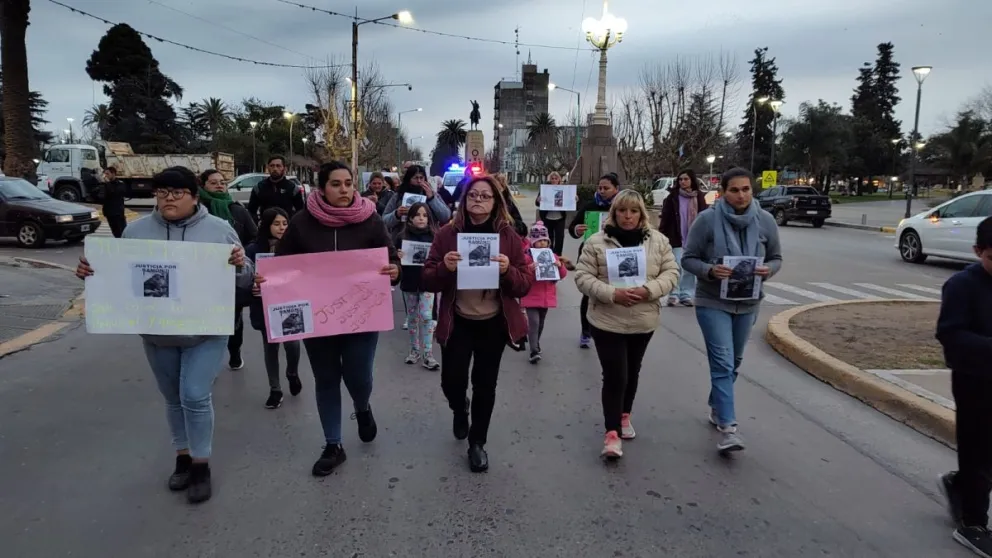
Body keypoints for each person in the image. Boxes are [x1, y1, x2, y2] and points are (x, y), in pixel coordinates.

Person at [74, 167, 254, 504]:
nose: (169, 198)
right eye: (162, 192)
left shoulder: (219, 230)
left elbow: (247, 279)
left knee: (195, 394)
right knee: (173, 397)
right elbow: (118, 278)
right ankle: (182, 457)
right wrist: (91, 272)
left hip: (206, 332)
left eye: (177, 192)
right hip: (157, 333)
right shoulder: (136, 231)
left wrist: (242, 264)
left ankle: (201, 464)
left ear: (194, 196)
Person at [256, 161, 400, 477]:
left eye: (348, 183)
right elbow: (282, 265)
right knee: (326, 378)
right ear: (322, 188)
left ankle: (362, 407)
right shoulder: (301, 223)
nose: (344, 189)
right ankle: (333, 444)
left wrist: (394, 270)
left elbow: (389, 257)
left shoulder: (370, 220)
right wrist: (267, 283)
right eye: (336, 184)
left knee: (358, 376)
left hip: (361, 317)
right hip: (318, 319)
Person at [421, 175, 532, 473]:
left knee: (486, 384)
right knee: (451, 383)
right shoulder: (447, 234)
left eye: (485, 196)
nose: (478, 200)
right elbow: (427, 277)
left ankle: (477, 443)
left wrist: (508, 271)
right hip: (457, 321)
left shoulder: (508, 236)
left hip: (493, 323)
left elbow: (524, 285)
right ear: (464, 200)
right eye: (473, 195)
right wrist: (445, 266)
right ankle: (460, 407)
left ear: (496, 201)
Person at [681, 167, 782, 454]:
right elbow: (688, 259)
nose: (740, 195)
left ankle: (717, 405)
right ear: (723, 191)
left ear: (753, 190)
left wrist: (767, 270)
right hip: (713, 301)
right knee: (723, 361)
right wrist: (711, 270)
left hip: (749, 302)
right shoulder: (707, 220)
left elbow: (776, 258)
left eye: (746, 189)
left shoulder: (765, 221)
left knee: (734, 361)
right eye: (734, 189)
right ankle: (729, 428)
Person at [573, 189, 679, 459]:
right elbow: (583, 277)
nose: (628, 216)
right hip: (607, 319)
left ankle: (624, 414)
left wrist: (650, 290)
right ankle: (611, 435)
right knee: (615, 375)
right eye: (622, 211)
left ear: (641, 214)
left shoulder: (658, 241)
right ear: (614, 213)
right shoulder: (597, 242)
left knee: (632, 371)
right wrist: (612, 294)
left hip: (643, 319)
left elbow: (671, 272)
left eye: (633, 211)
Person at [936, 216, 992, 557]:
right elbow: (950, 334)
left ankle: (959, 485)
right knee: (978, 451)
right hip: (974, 379)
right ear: (978, 251)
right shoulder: (961, 286)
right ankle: (973, 523)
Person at [199, 169, 258, 369]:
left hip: (232, 274)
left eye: (222, 182)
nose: (219, 185)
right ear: (203, 186)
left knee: (233, 318)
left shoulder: (237, 210)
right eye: (213, 182)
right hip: (201, 275)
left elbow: (253, 237)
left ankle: (235, 352)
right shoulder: (198, 210)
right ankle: (207, 362)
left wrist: (243, 257)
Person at [246, 207, 302, 409]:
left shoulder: (295, 246)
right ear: (266, 225)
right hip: (263, 305)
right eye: (277, 223)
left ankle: (292, 373)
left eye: (285, 223)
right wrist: (252, 284)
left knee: (293, 344)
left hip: (288, 303)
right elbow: (244, 274)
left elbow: (304, 272)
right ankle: (275, 389)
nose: (281, 228)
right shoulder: (253, 249)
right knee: (270, 347)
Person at [567, 172, 621, 348]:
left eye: (606, 188)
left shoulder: (622, 208)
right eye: (600, 188)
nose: (602, 191)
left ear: (616, 189)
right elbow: (573, 227)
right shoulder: (590, 206)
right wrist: (577, 230)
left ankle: (610, 328)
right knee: (588, 293)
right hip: (590, 255)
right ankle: (585, 331)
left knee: (612, 293)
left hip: (614, 255)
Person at [394, 201, 440, 370]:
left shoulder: (435, 237)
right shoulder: (402, 237)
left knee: (427, 316)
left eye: (425, 215)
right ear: (410, 218)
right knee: (412, 318)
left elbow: (438, 260)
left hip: (428, 283)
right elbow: (394, 260)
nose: (421, 218)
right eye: (417, 215)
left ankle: (428, 353)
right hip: (410, 282)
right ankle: (414, 351)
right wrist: (397, 256)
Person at [520, 221, 569, 364]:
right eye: (538, 241)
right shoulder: (527, 257)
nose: (541, 244)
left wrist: (560, 267)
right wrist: (529, 269)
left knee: (540, 323)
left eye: (544, 241)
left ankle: (536, 343)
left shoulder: (552, 256)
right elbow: (520, 273)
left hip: (546, 296)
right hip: (531, 295)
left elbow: (562, 275)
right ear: (532, 242)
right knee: (533, 322)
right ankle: (534, 350)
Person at [659, 169, 709, 307]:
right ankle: (673, 294)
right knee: (677, 266)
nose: (683, 182)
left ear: (692, 180)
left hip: (693, 238)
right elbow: (665, 218)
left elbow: (704, 217)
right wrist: (663, 235)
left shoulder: (699, 197)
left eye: (686, 179)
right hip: (677, 237)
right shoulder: (672, 197)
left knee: (689, 268)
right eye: (680, 179)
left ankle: (686, 294)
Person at [382, 164, 451, 234]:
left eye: (421, 178)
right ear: (409, 179)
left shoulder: (432, 195)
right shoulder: (398, 196)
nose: (419, 181)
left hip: (428, 238)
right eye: (415, 178)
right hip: (403, 238)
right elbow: (384, 220)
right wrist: (396, 214)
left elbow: (445, 217)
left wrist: (432, 199)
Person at [247, 156, 304, 222]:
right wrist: (257, 224)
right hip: (265, 228)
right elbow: (251, 211)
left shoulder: (293, 188)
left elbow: (300, 211)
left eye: (278, 166)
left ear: (284, 168)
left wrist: (292, 225)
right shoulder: (259, 188)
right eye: (272, 166)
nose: (275, 168)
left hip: (286, 228)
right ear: (268, 167)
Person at [534, 171, 568, 255]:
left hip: (560, 217)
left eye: (556, 178)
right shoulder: (545, 189)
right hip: (547, 217)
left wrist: (574, 199)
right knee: (549, 237)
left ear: (559, 180)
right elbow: (537, 203)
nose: (554, 180)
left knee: (560, 237)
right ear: (550, 179)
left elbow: (569, 202)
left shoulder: (564, 189)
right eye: (552, 178)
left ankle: (558, 255)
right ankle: (550, 254)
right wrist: (538, 200)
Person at [100, 167, 128, 238]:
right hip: (109, 213)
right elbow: (102, 196)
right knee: (115, 232)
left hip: (118, 213)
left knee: (122, 232)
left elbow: (114, 193)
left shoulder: (120, 184)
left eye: (107, 174)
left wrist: (108, 183)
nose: (105, 175)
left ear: (113, 174)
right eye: (105, 174)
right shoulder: (105, 184)